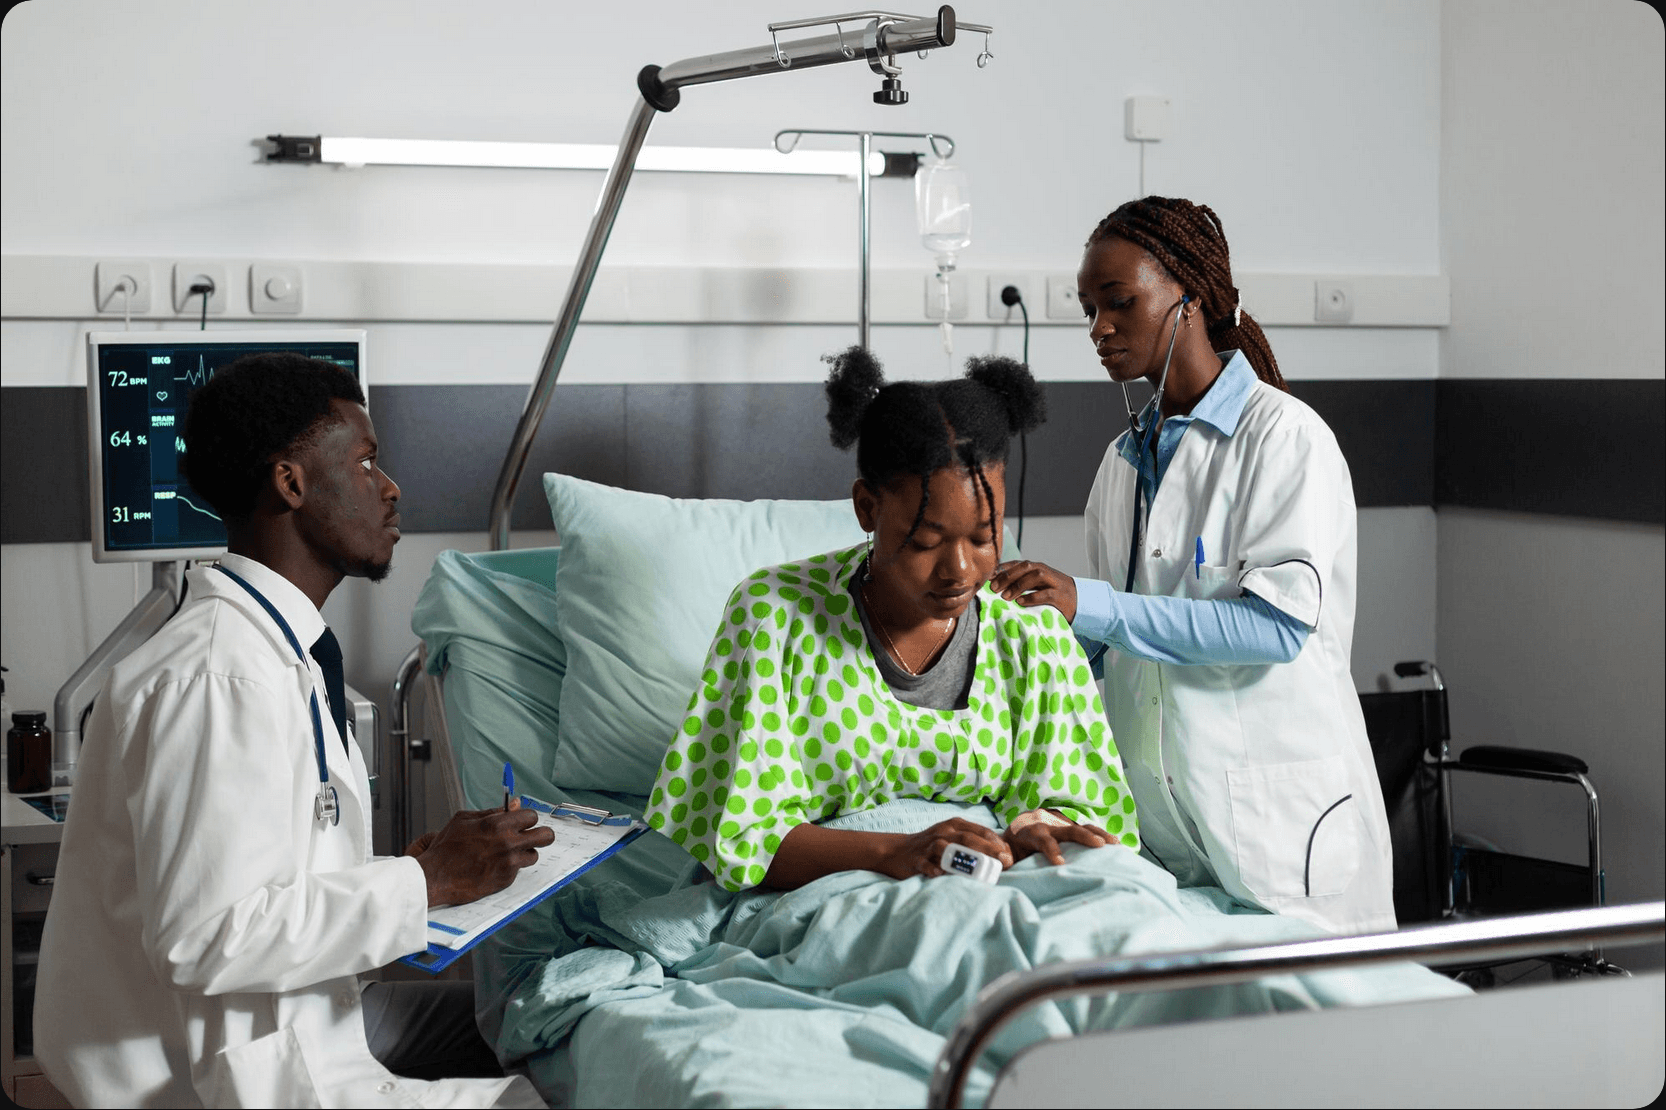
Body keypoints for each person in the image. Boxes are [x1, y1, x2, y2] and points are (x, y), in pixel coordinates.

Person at [34, 354, 551, 1108]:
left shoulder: (282, 653)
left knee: (534, 1018)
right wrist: (424, 882)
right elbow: (207, 936)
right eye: (368, 462)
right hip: (215, 1077)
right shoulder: (219, 676)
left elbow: (263, 874)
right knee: (534, 1096)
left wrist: (412, 873)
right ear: (291, 483)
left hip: (292, 1025)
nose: (392, 486)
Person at [989, 197, 1395, 935]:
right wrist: (1029, 635)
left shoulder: (1284, 439)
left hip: (1282, 829)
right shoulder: (1122, 464)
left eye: (1120, 302)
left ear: (1190, 300)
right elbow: (1125, 642)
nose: (1098, 328)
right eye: (1088, 308)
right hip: (1171, 829)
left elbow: (1274, 628)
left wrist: (1093, 605)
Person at [646, 348, 1138, 892]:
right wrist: (899, 852)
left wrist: (1031, 837)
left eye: (983, 537)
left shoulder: (1032, 634)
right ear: (867, 509)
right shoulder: (774, 618)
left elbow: (1078, 809)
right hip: (827, 889)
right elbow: (743, 840)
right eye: (927, 541)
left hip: (991, 883)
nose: (959, 570)